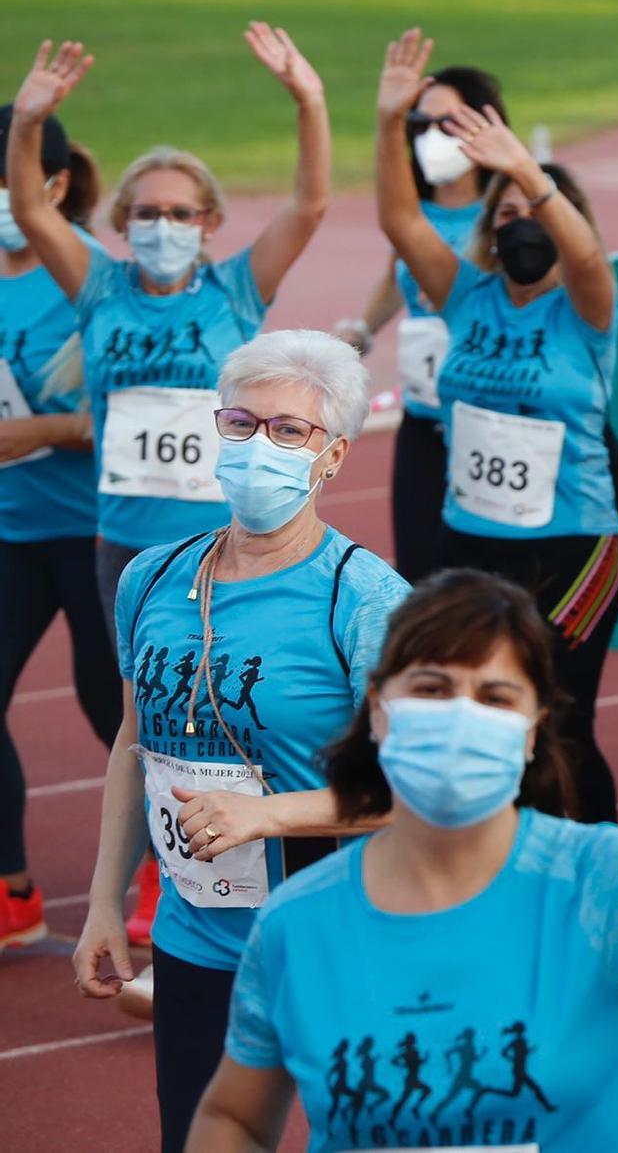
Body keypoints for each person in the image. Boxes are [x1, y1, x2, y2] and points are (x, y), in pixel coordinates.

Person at [184, 573, 618, 1152]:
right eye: (430, 689)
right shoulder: (295, 924)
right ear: (376, 709)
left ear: (533, 730)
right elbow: (234, 1116)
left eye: (494, 697)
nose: (460, 715)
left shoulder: (605, 882)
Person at [68, 330, 408, 1153]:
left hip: (336, 942)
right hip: (197, 940)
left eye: (289, 431)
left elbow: (414, 798)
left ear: (331, 457)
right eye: (241, 422)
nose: (261, 444)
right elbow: (131, 745)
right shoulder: (150, 577)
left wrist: (268, 816)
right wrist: (104, 905)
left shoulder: (366, 602)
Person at [374, 29, 618, 825]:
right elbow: (398, 219)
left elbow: (583, 256)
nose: (521, 223)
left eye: (538, 213)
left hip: (572, 545)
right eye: (507, 212)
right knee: (475, 713)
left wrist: (525, 169)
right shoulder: (465, 293)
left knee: (557, 717)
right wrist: (388, 123)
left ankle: (595, 864)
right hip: (473, 540)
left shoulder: (585, 306)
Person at [5, 30, 330, 625]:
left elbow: (308, 207)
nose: (164, 225)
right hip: (126, 549)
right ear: (123, 222)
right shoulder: (100, 288)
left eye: (181, 213)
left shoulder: (235, 291)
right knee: (141, 704)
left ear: (208, 223)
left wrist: (309, 102)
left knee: (220, 706)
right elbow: (29, 208)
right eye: (148, 213)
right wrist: (28, 121)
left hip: (220, 541)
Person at [0, 105, 119, 954]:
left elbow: (144, 409)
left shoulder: (91, 278)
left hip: (94, 532)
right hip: (8, 532)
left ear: (53, 184)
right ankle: (12, 891)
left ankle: (163, 871)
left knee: (115, 710)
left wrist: (42, 430)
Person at [335, 63, 509, 582]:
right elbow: (398, 277)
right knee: (417, 570)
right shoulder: (413, 213)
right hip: (424, 417)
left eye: (447, 123)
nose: (432, 138)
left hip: (491, 419)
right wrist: (361, 332)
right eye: (420, 125)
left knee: (487, 574)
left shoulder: (509, 211)